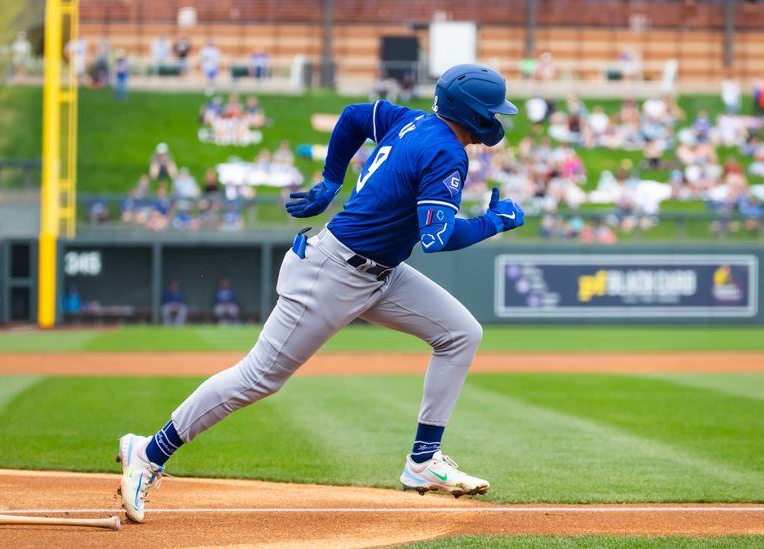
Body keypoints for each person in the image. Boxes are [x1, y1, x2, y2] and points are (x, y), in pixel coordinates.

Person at [116, 64, 524, 523]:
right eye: (492, 110)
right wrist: (496, 222)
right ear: (472, 112)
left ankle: (423, 460)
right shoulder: (448, 152)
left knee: (460, 333)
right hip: (333, 274)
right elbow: (436, 238)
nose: (496, 119)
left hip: (379, 272)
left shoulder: (410, 119)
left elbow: (353, 116)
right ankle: (148, 452)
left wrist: (332, 180)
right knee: (258, 378)